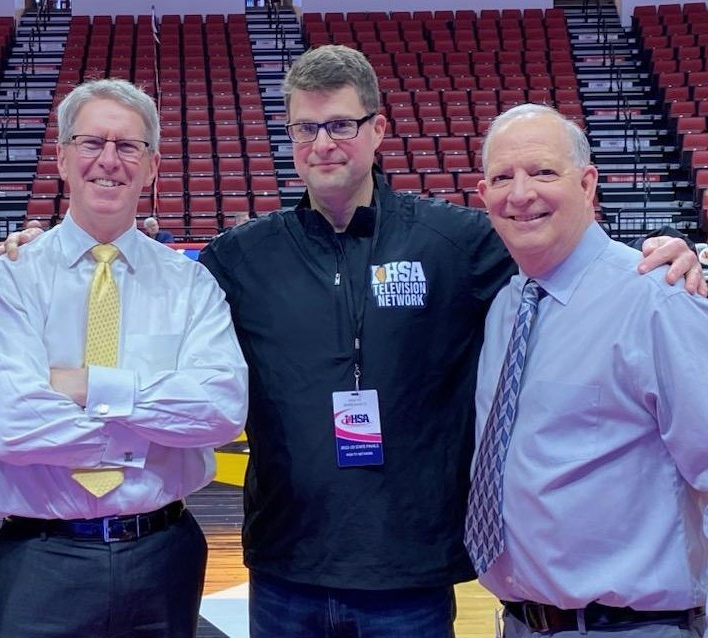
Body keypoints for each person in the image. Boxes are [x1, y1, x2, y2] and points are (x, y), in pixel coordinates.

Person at [196, 45, 705, 637]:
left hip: (412, 575)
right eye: (305, 128)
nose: (323, 143)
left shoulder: (459, 242)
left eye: (341, 124)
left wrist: (664, 254)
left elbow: (562, 248)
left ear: (378, 129)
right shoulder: (239, 257)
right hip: (285, 567)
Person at [0, 78, 247, 637]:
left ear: (152, 166)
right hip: (40, 559)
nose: (109, 160)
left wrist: (85, 386)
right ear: (62, 158)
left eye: (128, 146)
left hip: (164, 557)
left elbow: (220, 411)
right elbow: (12, 425)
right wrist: (150, 432)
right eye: (92, 142)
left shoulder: (190, 284)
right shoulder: (10, 278)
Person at [466, 104, 708, 637]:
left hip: (633, 626)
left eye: (542, 172)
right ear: (483, 195)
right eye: (502, 178)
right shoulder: (506, 308)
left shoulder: (659, 299)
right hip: (522, 622)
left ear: (587, 183)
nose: (521, 193)